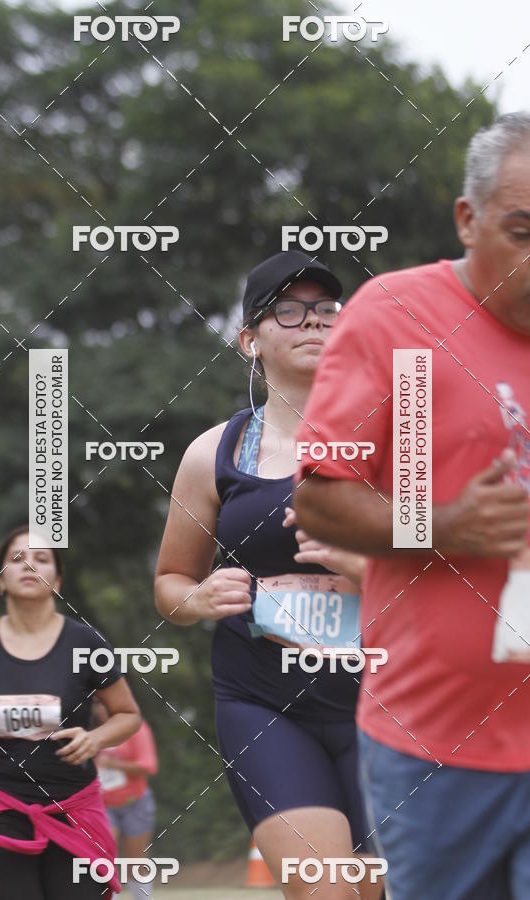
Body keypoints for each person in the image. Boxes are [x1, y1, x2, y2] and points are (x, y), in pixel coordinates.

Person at [294, 112, 530, 900]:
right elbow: (322, 500)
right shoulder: (396, 314)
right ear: (468, 218)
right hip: (437, 743)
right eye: (522, 230)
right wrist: (447, 525)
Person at [154, 250, 383, 900]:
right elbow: (171, 580)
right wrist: (199, 598)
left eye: (325, 310)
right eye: (289, 309)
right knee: (325, 890)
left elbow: (443, 573)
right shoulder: (213, 454)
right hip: (264, 703)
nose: (312, 321)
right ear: (249, 340)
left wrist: (366, 568)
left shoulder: (396, 439)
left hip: (385, 701)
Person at [0, 525, 141, 900]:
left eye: (41, 558)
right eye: (17, 559)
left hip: (73, 807)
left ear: (57, 580)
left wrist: (94, 738)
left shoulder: (87, 642)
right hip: (0, 806)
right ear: (0, 581)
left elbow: (128, 716)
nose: (29, 565)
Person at [94, 698, 158, 899]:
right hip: (102, 806)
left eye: (105, 702)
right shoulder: (87, 729)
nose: (102, 708)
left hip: (135, 803)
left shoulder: (135, 727)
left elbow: (149, 766)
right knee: (104, 859)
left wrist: (114, 764)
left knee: (135, 862)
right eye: (96, 703)